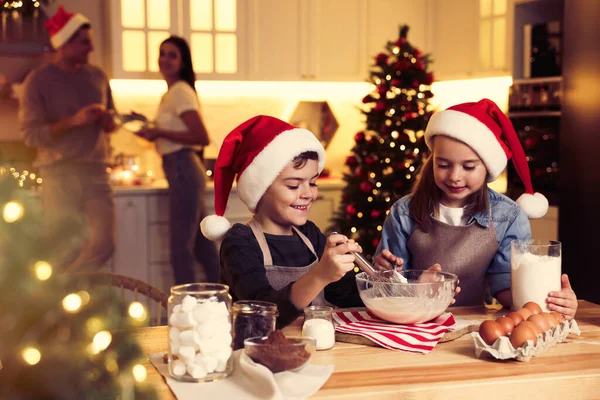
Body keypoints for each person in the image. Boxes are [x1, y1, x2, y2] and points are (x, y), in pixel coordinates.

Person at [375, 98, 578, 319]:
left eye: (469, 167)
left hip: (471, 328)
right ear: (432, 160)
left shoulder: (507, 217)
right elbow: (388, 291)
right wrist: (387, 274)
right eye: (443, 165)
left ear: (488, 167)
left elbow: (507, 290)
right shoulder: (404, 212)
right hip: (414, 322)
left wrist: (552, 301)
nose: (454, 176)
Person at [200, 115, 366, 327]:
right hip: (258, 353)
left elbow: (342, 294)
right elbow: (265, 314)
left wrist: (377, 279)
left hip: (317, 347)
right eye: (293, 185)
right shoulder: (239, 243)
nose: (308, 194)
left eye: (313, 182)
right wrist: (319, 275)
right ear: (260, 189)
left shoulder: (309, 234)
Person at [19, 6, 117, 271]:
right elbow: (29, 135)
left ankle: (72, 291)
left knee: (104, 243)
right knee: (63, 249)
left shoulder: (97, 77)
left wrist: (108, 122)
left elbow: (113, 121)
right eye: (85, 43)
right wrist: (74, 121)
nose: (91, 49)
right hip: (58, 175)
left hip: (96, 172)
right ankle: (65, 304)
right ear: (64, 42)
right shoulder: (37, 81)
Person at [135, 36, 219, 284]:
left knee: (180, 248)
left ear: (183, 62)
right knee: (202, 245)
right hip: (182, 169)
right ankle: (224, 298)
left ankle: (186, 306)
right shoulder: (173, 93)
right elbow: (177, 133)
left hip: (183, 168)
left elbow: (201, 136)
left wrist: (160, 132)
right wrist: (149, 126)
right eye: (162, 53)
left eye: (173, 55)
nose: (165, 59)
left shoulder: (180, 92)